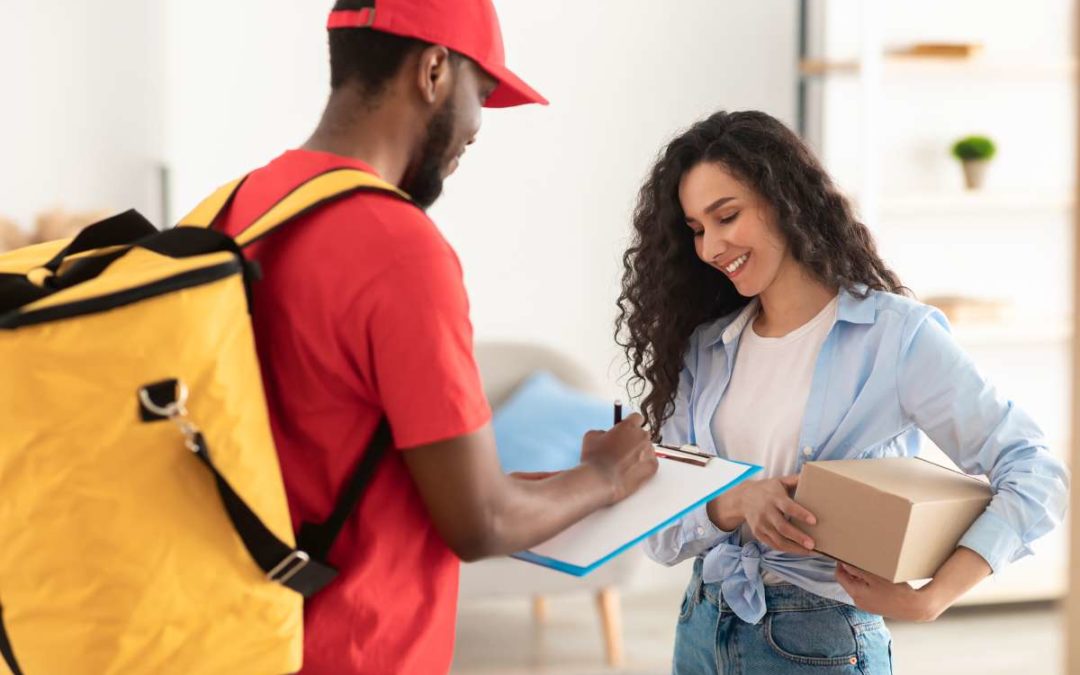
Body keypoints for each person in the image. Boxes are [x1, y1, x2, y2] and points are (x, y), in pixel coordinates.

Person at [211, 1, 658, 672]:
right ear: (432, 71)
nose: (475, 128)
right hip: (359, 649)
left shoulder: (241, 206)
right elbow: (481, 520)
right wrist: (604, 474)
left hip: (247, 638)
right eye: (479, 94)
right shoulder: (399, 248)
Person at [615, 109, 1069, 673]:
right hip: (701, 628)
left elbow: (1034, 470)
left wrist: (934, 596)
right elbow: (662, 537)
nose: (710, 248)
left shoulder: (896, 337)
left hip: (819, 640)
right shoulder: (708, 347)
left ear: (783, 199)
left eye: (726, 216)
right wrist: (737, 501)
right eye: (697, 230)